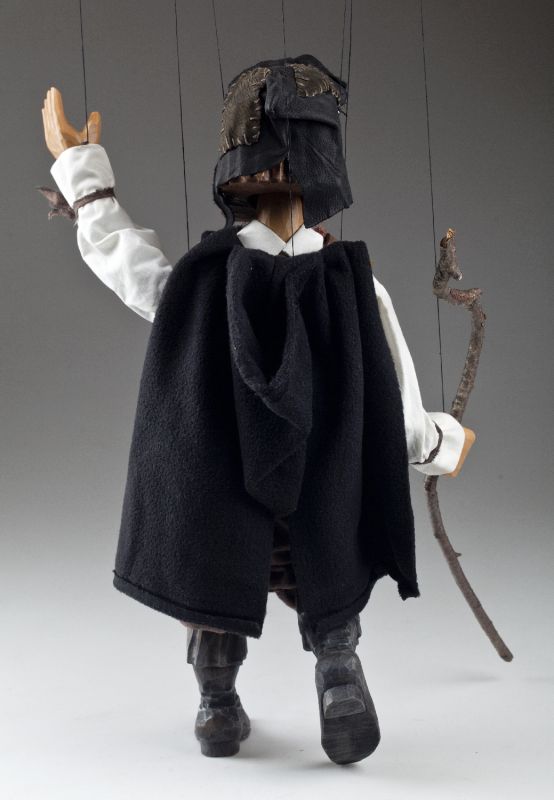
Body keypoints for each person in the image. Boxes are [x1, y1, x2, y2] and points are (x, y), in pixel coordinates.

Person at [40, 54, 473, 765]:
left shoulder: (207, 278)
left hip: (223, 479)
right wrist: (439, 445)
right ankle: (336, 678)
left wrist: (82, 174)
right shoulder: (351, 284)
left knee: (215, 571)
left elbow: (131, 266)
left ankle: (218, 701)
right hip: (317, 481)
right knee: (327, 569)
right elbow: (395, 397)